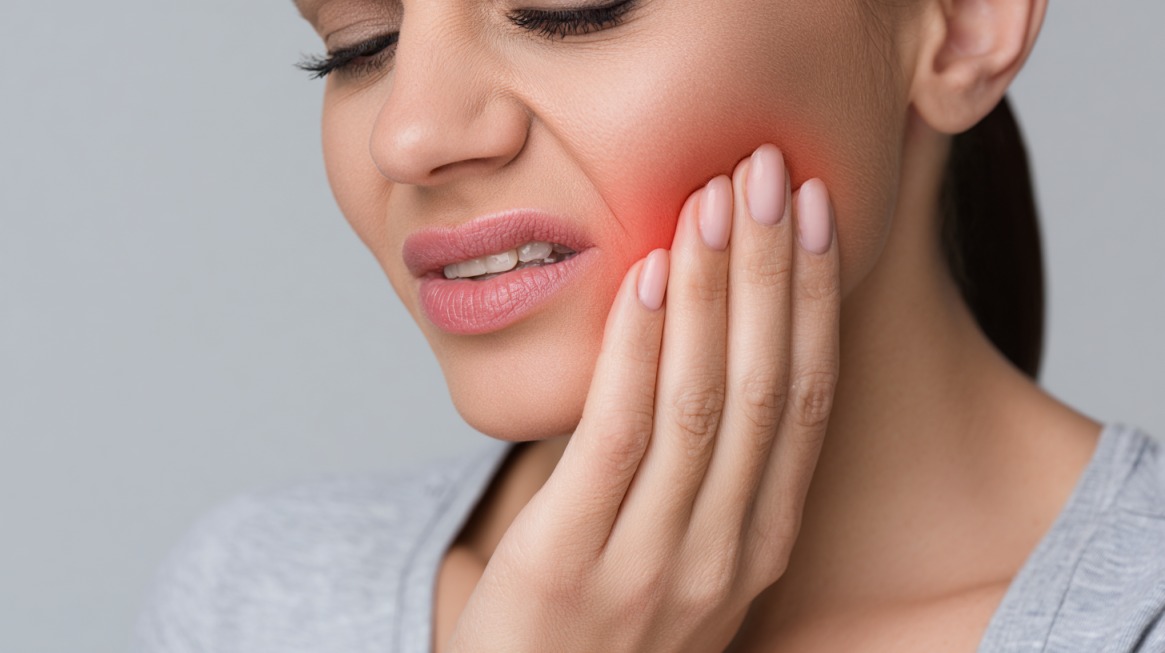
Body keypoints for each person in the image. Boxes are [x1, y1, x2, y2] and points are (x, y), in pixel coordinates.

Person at [134, 0, 1165, 651]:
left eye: (566, 8)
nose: (410, 132)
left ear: (961, 22)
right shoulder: (256, 605)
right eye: (359, 46)